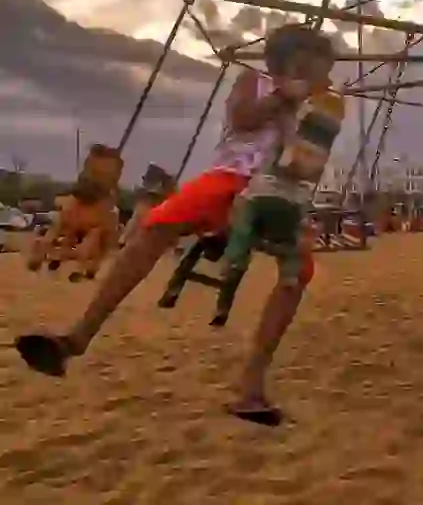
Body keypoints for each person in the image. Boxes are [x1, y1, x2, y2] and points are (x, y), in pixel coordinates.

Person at [14, 24, 333, 427]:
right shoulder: (254, 82)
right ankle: (76, 337)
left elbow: (309, 158)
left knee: (298, 272)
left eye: (322, 73)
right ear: (286, 64)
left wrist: (307, 123)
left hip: (278, 193)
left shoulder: (318, 107)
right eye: (311, 70)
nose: (319, 80)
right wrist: (283, 98)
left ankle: (251, 386)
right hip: (231, 177)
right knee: (157, 227)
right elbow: (242, 118)